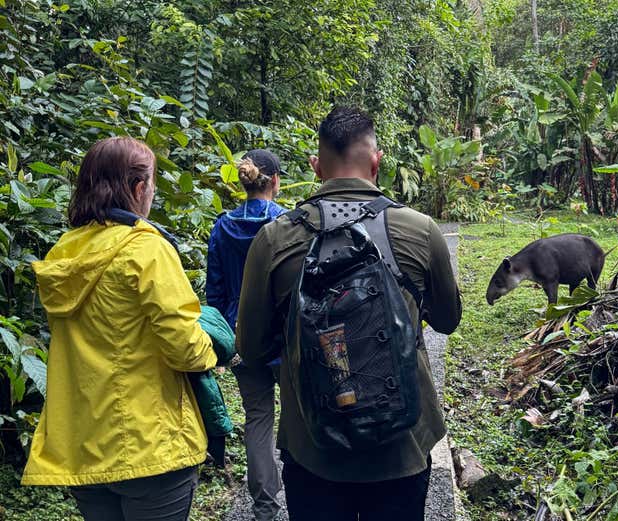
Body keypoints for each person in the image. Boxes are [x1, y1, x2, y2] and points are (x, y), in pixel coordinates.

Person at [235, 107, 462, 521]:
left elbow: (249, 348)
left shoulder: (273, 239)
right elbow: (448, 321)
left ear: (316, 167)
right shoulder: (421, 230)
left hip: (313, 448)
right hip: (402, 447)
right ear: (377, 162)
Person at [21, 136, 217, 521]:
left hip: (84, 444)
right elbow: (185, 347)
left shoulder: (64, 252)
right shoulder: (147, 249)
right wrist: (214, 348)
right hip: (150, 445)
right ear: (138, 187)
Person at [206, 149, 286, 521]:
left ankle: (265, 508)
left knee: (257, 418)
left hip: (241, 337)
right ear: (275, 181)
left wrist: (227, 343)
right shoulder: (288, 223)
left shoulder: (222, 227)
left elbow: (216, 294)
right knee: (299, 415)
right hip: (285, 337)